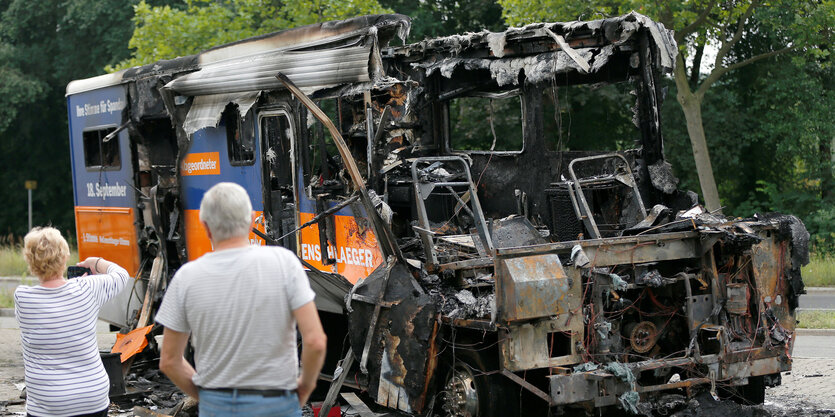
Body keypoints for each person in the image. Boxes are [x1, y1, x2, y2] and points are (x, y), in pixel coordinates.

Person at [157, 182, 326, 417]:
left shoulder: (186, 277)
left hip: (219, 405)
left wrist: (208, 398)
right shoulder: (284, 262)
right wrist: (304, 388)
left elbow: (169, 361)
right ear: (250, 220)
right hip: (278, 402)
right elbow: (315, 341)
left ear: (205, 227)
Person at [15, 227, 131, 417]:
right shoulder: (88, 288)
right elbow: (121, 275)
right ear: (64, 256)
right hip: (91, 397)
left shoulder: (23, 297)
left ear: (30, 260)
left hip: (48, 404)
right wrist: (96, 263)